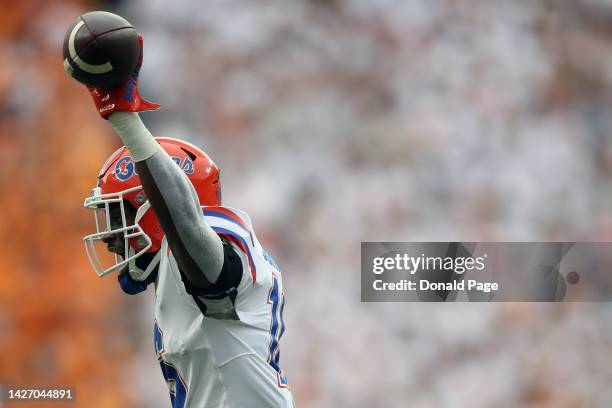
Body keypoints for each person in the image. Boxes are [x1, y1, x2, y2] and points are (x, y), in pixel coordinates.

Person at [79, 35, 294, 408]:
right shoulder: (175, 276)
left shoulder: (209, 251)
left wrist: (125, 119)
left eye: (119, 216)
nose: (110, 239)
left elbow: (188, 227)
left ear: (155, 207)